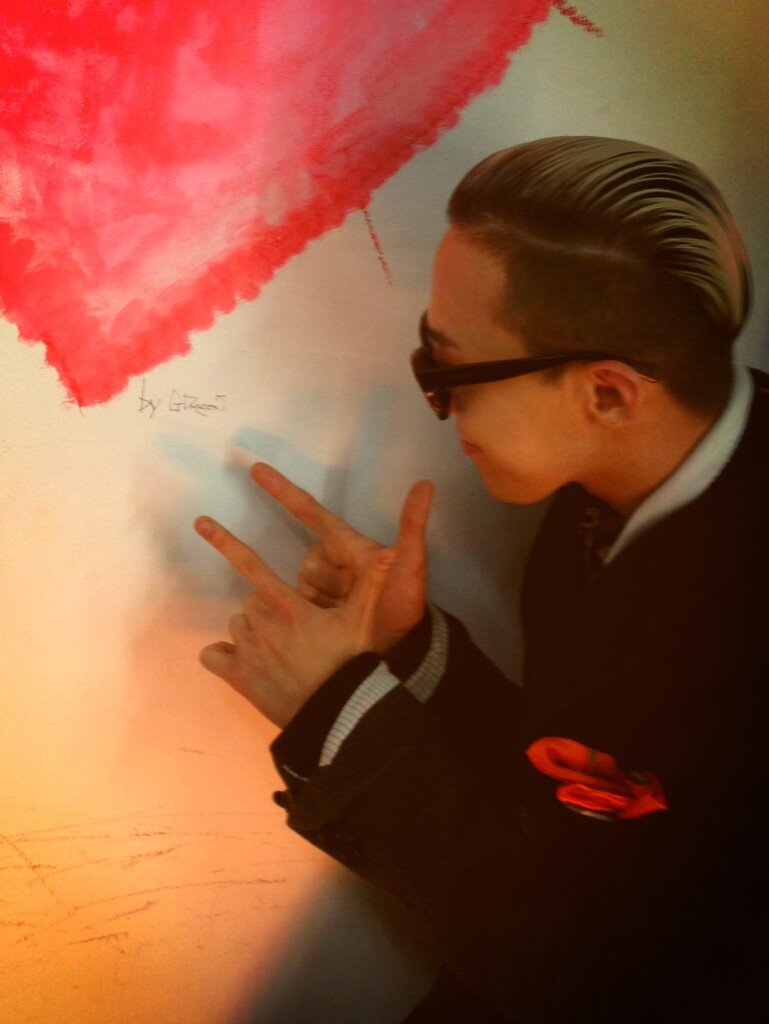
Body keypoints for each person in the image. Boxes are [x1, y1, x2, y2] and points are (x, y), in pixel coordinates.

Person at [193, 137, 769, 1022]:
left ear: (608, 395)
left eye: (451, 369)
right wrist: (409, 650)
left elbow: (595, 977)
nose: (436, 396)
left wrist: (337, 715)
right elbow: (587, 787)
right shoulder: (613, 486)